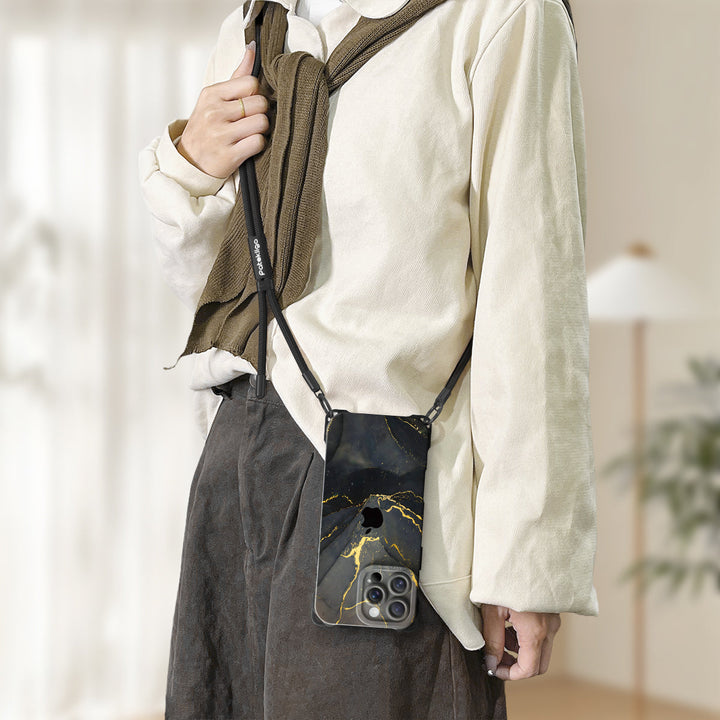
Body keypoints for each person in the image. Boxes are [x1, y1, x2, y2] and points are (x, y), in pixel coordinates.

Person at [138, 0, 598, 717]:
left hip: (380, 471)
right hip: (236, 455)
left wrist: (528, 560)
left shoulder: (502, 16)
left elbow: (534, 294)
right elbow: (220, 295)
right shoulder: (257, 24)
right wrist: (190, 168)